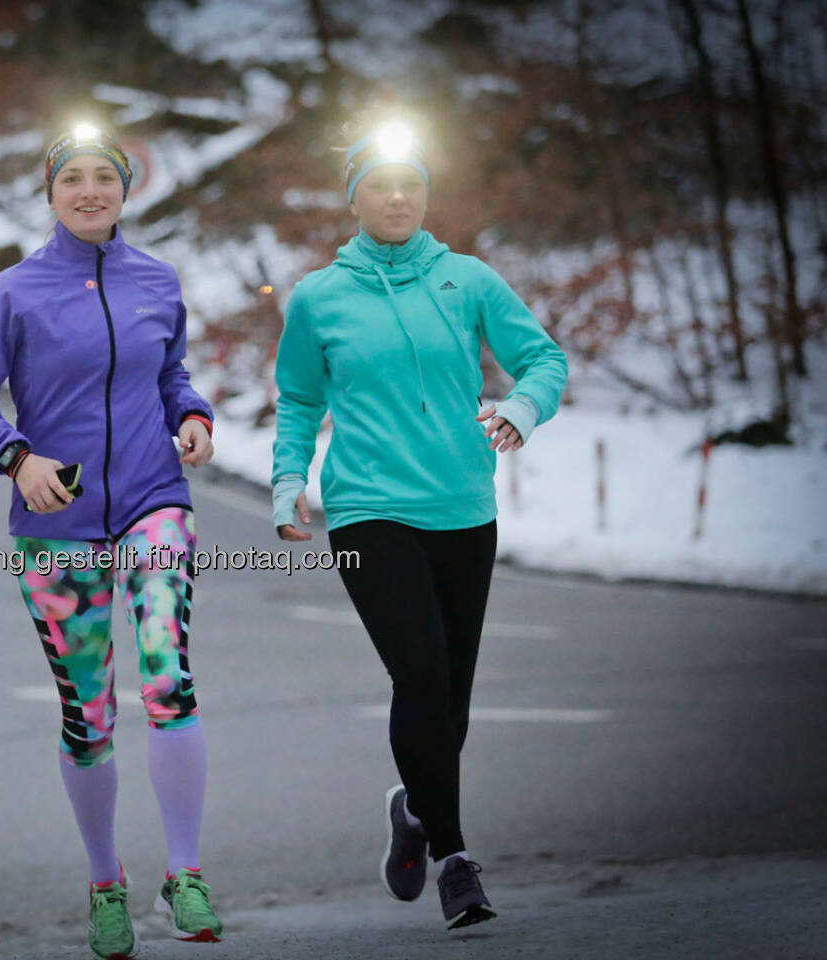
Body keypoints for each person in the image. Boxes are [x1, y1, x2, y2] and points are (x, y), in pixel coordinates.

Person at [271, 113, 568, 931]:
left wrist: (521, 407)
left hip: (463, 507)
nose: (397, 197)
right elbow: (298, 398)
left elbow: (544, 359)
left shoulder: (467, 280)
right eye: (380, 185)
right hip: (368, 509)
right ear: (355, 198)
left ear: (425, 196)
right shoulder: (319, 297)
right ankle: (455, 860)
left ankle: (414, 806)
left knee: (452, 699)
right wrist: (288, 480)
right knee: (422, 676)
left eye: (410, 185)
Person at [0, 124, 223, 960]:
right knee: (88, 715)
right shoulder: (15, 292)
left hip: (152, 501)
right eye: (75, 179)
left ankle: (186, 872)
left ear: (126, 191)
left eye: (107, 177)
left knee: (167, 674)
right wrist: (15, 456)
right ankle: (107, 883)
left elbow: (170, 371)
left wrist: (194, 415)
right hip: (56, 522)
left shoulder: (157, 281)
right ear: (51, 191)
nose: (91, 191)